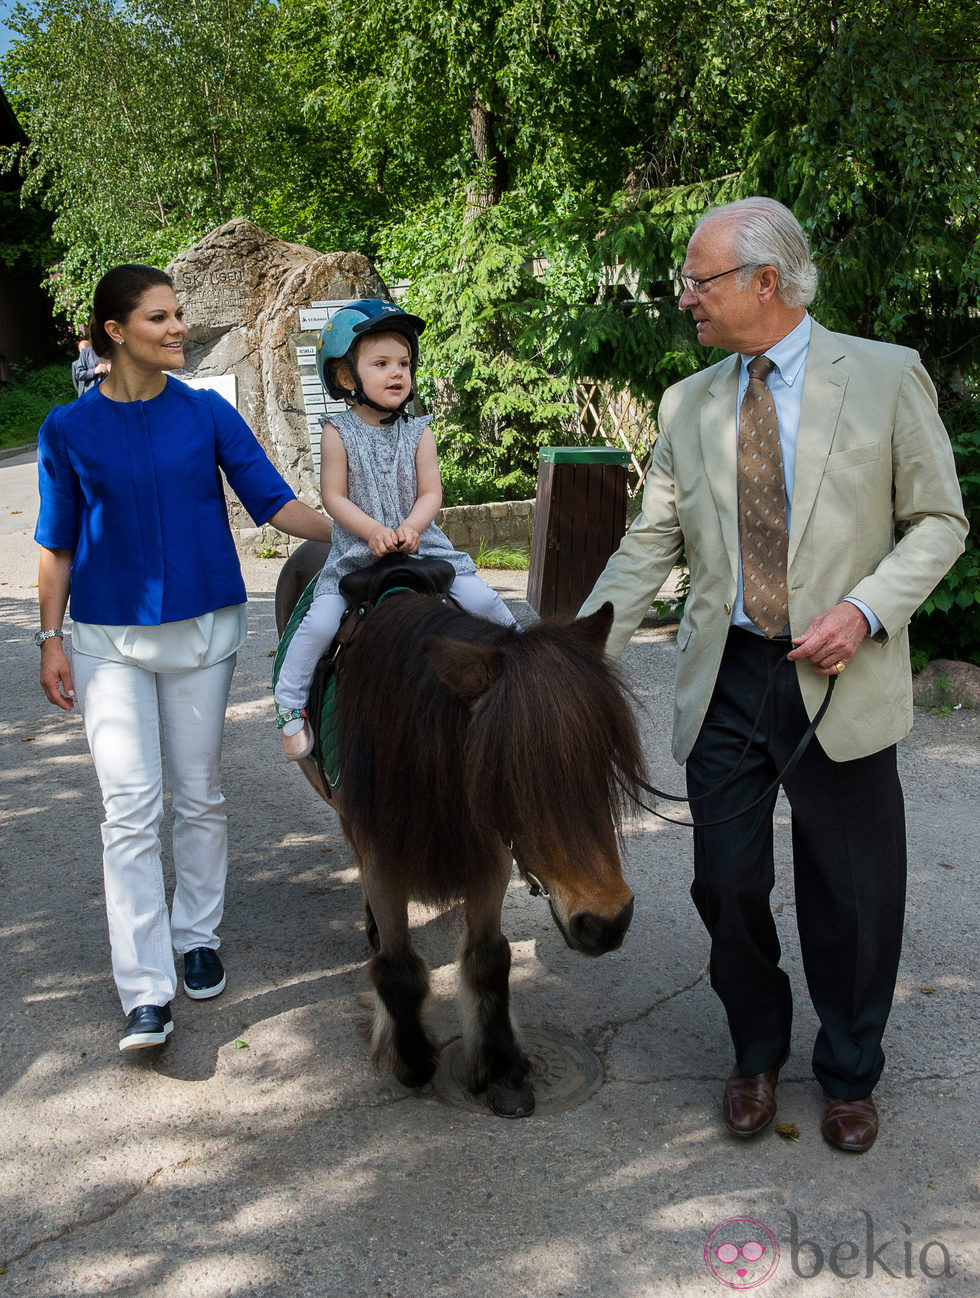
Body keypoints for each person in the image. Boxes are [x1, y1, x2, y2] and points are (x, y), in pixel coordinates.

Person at [580, 198, 967, 1152]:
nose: (684, 298)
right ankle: (755, 1050)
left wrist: (866, 609)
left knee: (853, 893)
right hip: (728, 677)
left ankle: (847, 1072)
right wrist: (574, 655)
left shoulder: (883, 377)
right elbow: (649, 544)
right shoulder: (688, 403)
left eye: (698, 279)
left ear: (766, 282)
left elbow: (940, 522)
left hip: (840, 669)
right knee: (724, 883)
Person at [35, 264, 334, 1052]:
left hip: (203, 632)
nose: (177, 329)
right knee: (128, 810)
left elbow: (277, 502)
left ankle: (196, 933)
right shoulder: (67, 430)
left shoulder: (206, 415)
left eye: (179, 317)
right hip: (106, 641)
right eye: (160, 318)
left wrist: (363, 531)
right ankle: (144, 993)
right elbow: (55, 546)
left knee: (198, 794)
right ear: (115, 331)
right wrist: (49, 638)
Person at [274, 298, 519, 760]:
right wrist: (370, 531)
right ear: (348, 377)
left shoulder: (419, 430)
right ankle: (290, 707)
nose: (397, 374)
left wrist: (410, 525)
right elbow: (334, 497)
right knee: (320, 623)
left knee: (484, 600)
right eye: (381, 363)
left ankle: (524, 670)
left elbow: (431, 493)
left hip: (422, 547)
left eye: (403, 363)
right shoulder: (337, 431)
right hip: (357, 553)